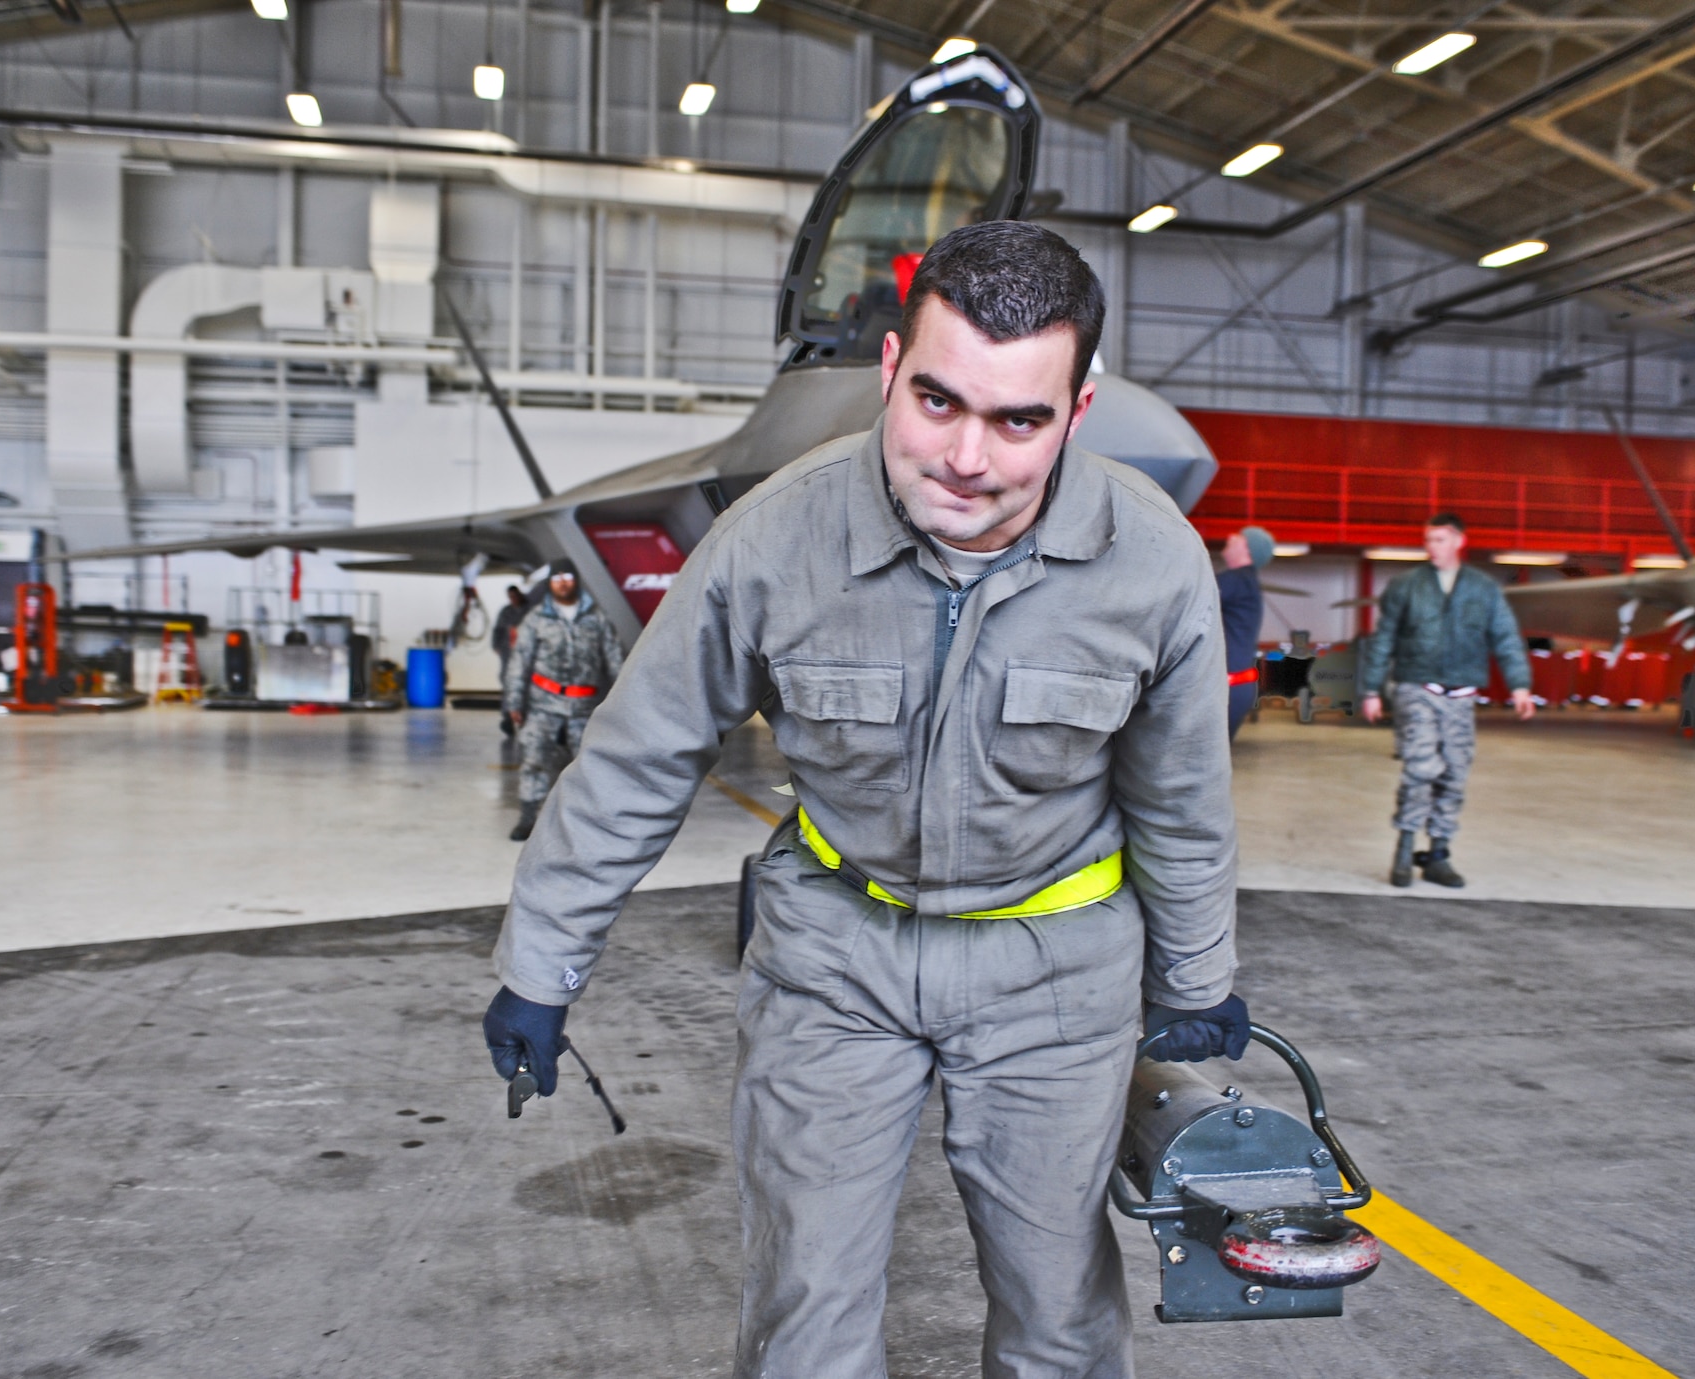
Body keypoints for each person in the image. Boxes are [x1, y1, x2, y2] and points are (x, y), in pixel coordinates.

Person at [481, 221, 1244, 1379]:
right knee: (805, 1310)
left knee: (1060, 1315)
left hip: (1052, 968)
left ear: (1075, 414)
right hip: (834, 956)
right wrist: (540, 963)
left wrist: (1194, 979)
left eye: (1017, 419)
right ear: (889, 368)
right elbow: (639, 756)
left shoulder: (1150, 561)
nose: (967, 457)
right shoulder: (774, 539)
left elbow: (1182, 799)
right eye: (936, 401)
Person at [1359, 513, 1534, 889]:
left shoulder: (1484, 589)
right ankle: (1404, 850)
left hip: (1462, 695)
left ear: (1458, 541)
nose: (1431, 547)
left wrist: (1520, 686)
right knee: (1420, 769)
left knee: (1454, 774)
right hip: (1416, 688)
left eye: (1438, 539)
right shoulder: (1406, 586)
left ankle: (1437, 855)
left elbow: (1505, 637)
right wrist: (1371, 690)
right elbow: (1383, 640)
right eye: (1427, 540)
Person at [501, 562, 624, 842]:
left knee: (589, 766)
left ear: (576, 580)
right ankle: (528, 816)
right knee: (534, 761)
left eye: (568, 577)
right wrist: (514, 703)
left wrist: (622, 702)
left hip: (583, 707)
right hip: (544, 705)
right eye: (557, 578)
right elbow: (518, 663)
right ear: (550, 583)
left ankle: (588, 821)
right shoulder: (536, 619)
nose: (563, 582)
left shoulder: (597, 618)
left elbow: (616, 660)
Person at [1215, 525, 1275, 738]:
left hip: (1227, 687)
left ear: (1247, 550)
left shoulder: (1236, 580)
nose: (1230, 535)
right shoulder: (1245, 582)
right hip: (1237, 686)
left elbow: (1189, 601)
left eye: (1238, 537)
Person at [492, 584, 529, 736]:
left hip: (526, 654)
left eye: (515, 596)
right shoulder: (506, 612)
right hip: (508, 653)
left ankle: (524, 716)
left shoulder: (529, 610)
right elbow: (498, 630)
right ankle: (507, 717)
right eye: (510, 597)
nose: (513, 599)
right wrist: (496, 646)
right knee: (508, 683)